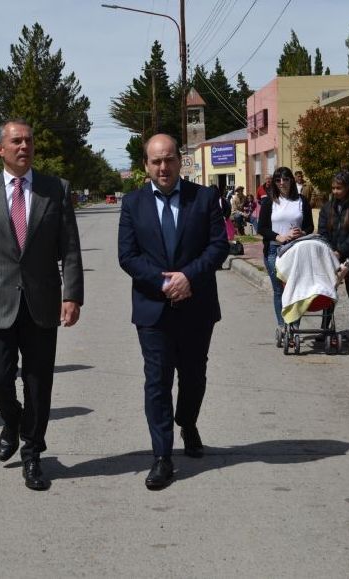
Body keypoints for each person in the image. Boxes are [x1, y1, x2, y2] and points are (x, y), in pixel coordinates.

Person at [0, 119, 83, 491]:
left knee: (38, 382)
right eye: (16, 141)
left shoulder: (54, 189)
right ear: (0, 149)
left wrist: (72, 294)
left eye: (29, 140)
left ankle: (32, 454)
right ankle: (12, 420)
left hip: (42, 301)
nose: (24, 146)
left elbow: (70, 248)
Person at [118, 133, 229, 491]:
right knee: (157, 381)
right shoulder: (133, 204)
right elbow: (128, 255)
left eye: (168, 160)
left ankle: (188, 422)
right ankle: (162, 456)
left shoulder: (206, 198)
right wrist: (163, 283)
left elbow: (218, 246)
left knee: (194, 376)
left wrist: (188, 278)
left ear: (180, 161)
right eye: (156, 161)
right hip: (153, 309)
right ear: (146, 165)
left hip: (197, 306)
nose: (163, 167)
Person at [258, 166, 314, 331]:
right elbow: (262, 228)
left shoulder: (301, 201)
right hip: (274, 250)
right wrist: (278, 236)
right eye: (278, 180)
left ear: (291, 180)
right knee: (278, 290)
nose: (282, 183)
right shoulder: (269, 202)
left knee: (295, 288)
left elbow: (310, 226)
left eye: (285, 179)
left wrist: (302, 232)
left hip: (296, 249)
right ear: (274, 183)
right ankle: (283, 326)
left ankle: (294, 326)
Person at [317, 171, 349, 338]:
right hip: (331, 256)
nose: (335, 191)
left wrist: (341, 251)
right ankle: (326, 327)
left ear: (347, 188)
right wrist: (331, 251)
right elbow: (323, 231)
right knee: (329, 290)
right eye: (333, 188)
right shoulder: (327, 208)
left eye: (339, 188)